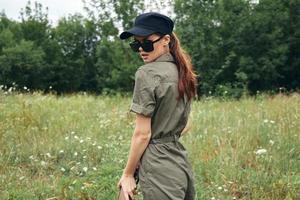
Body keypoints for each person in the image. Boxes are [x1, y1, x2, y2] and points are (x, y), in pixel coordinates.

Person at [117, 12, 198, 200]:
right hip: (180, 163)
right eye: (136, 44)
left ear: (166, 40)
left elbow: (142, 134)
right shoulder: (183, 72)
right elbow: (186, 124)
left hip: (159, 167)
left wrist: (128, 174)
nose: (141, 50)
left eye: (146, 43)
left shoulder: (146, 74)